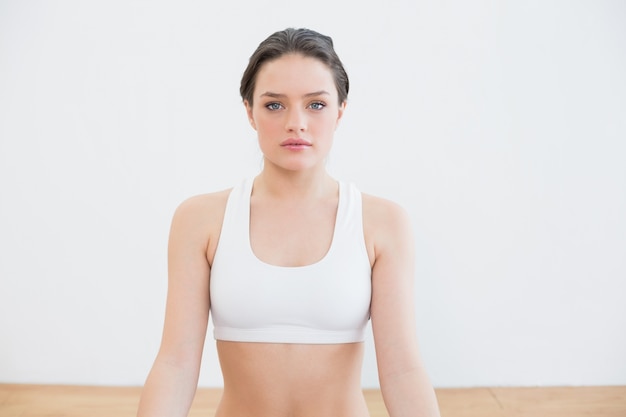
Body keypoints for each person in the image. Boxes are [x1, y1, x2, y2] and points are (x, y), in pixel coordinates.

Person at [137, 27, 441, 417]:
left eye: (316, 105)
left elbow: (402, 371)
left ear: (340, 112)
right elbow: (175, 365)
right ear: (249, 112)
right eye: (275, 105)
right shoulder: (200, 220)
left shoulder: (382, 223)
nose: (296, 123)